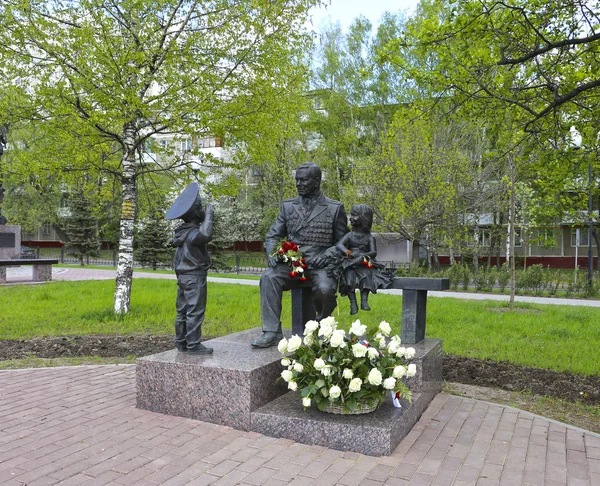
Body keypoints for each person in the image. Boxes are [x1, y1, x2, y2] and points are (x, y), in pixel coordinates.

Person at [252, 162, 348, 348]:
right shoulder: (288, 206)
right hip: (292, 265)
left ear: (317, 181)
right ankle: (271, 331)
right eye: (297, 180)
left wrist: (328, 254)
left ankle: (322, 329)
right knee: (268, 278)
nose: (298, 184)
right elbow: (273, 234)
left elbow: (343, 243)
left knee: (325, 290)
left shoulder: (334, 208)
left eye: (303, 180)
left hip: (320, 266)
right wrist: (272, 253)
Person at [167, 183, 214, 355]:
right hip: (195, 277)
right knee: (195, 311)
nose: (203, 208)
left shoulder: (183, 233)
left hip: (183, 277)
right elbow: (205, 235)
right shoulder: (193, 233)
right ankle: (193, 345)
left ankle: (181, 343)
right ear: (196, 213)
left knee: (183, 311)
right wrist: (209, 216)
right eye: (201, 206)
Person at [335, 204, 392, 315]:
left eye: (354, 215)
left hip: (364, 262)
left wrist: (364, 256)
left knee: (367, 275)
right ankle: (353, 303)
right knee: (348, 276)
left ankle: (364, 301)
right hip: (351, 261)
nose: (351, 218)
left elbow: (373, 252)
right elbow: (339, 245)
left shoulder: (369, 237)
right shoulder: (349, 235)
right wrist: (348, 252)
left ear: (364, 219)